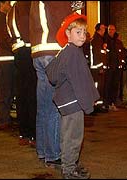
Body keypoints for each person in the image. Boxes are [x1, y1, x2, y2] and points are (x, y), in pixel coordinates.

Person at [46, 12, 99, 179]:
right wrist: (88, 104)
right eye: (78, 32)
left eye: (84, 32)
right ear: (67, 33)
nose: (82, 36)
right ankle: (69, 170)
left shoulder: (64, 52)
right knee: (74, 137)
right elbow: (80, 81)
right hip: (74, 102)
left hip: (66, 102)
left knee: (67, 135)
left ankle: (70, 164)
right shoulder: (74, 54)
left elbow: (52, 74)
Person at [29, 1, 74, 168]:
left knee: (43, 106)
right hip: (53, 51)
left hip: (38, 52)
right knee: (55, 107)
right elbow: (65, 22)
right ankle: (53, 154)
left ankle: (43, 151)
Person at [6, 1, 37, 147]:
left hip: (19, 52)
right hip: (29, 51)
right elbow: (29, 26)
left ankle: (24, 132)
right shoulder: (27, 5)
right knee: (32, 94)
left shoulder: (14, 8)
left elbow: (11, 32)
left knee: (23, 94)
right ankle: (32, 133)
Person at [0, 1, 15, 130]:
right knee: (5, 90)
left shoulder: (2, 18)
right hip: (4, 59)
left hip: (6, 59)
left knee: (7, 90)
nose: (10, 6)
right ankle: (3, 120)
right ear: (1, 4)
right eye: (8, 3)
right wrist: (15, 47)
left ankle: (3, 118)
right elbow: (4, 37)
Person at [103, 25, 127, 110]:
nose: (111, 31)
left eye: (112, 29)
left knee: (115, 85)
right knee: (107, 85)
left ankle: (113, 102)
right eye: (109, 29)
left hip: (117, 67)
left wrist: (122, 63)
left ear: (115, 30)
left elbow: (123, 52)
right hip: (109, 67)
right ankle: (107, 103)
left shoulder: (118, 42)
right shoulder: (105, 40)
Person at [90, 23, 108, 112]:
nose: (104, 30)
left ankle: (99, 106)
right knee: (97, 87)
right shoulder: (96, 40)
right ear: (99, 29)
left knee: (100, 87)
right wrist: (100, 67)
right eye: (103, 28)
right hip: (96, 69)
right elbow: (96, 54)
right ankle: (94, 107)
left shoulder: (100, 39)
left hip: (99, 68)